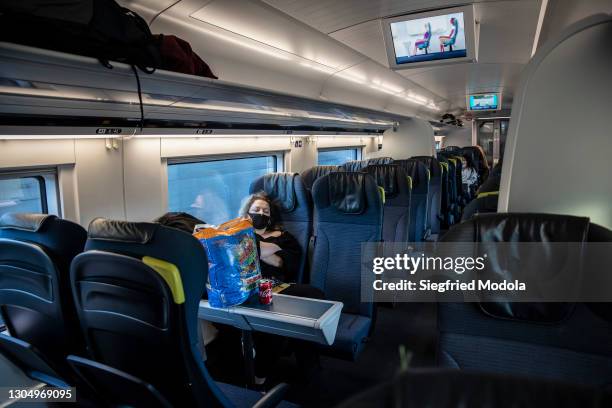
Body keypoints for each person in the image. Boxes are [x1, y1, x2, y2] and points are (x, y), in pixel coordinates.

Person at [239, 192, 324, 387]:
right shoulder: (238, 234)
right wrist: (269, 249)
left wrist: (254, 249)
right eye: (256, 210)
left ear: (271, 216)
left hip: (275, 286)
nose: (261, 213)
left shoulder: (285, 237)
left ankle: (264, 376)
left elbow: (282, 263)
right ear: (247, 214)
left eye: (265, 210)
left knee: (313, 296)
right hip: (244, 287)